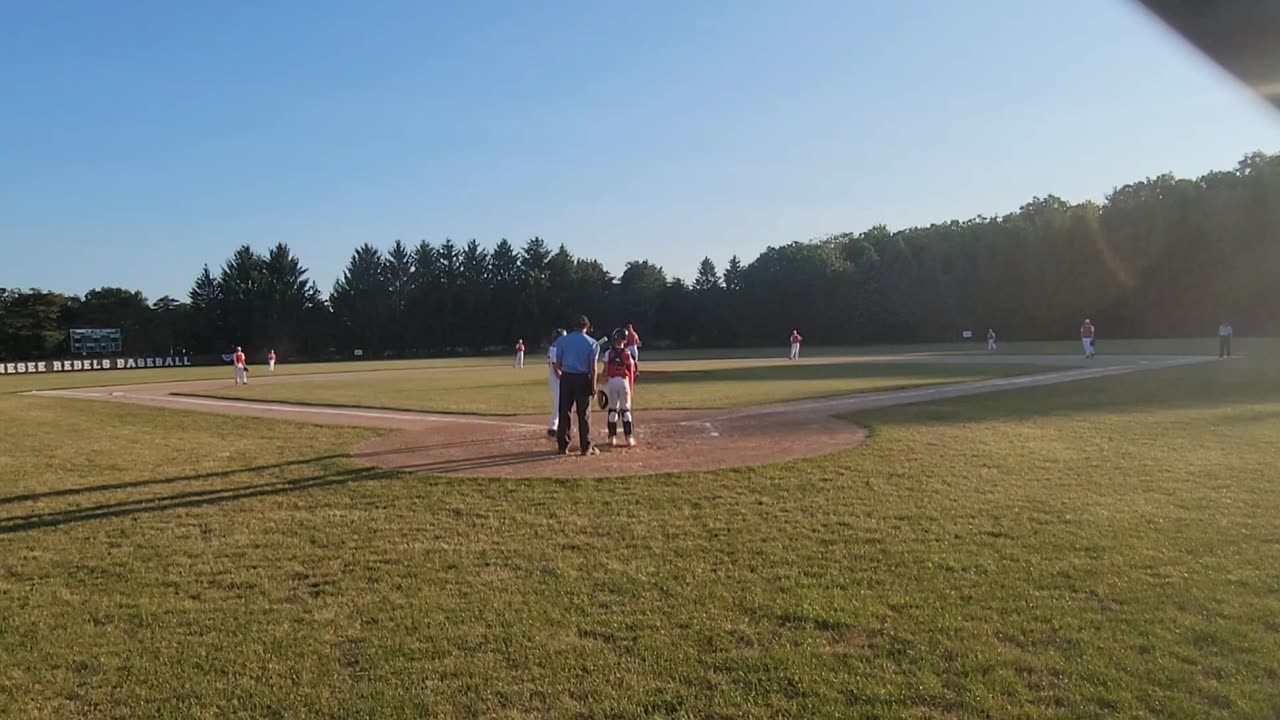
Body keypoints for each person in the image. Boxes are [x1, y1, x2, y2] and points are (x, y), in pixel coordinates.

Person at [554, 315, 600, 456]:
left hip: (567, 377)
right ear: (587, 326)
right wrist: (593, 386)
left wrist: (563, 376)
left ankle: (563, 446)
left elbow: (558, 364)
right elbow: (593, 369)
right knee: (584, 414)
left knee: (564, 412)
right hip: (583, 378)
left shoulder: (562, 340)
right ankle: (586, 447)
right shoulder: (592, 343)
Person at [602, 328, 638, 447]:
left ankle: (612, 438)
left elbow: (606, 371)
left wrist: (602, 384)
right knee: (625, 410)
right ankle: (629, 438)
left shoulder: (608, 353)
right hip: (624, 381)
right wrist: (631, 387)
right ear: (625, 339)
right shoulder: (627, 354)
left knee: (613, 409)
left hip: (612, 381)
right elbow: (631, 372)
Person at [546, 329, 566, 439]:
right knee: (559, 402)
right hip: (556, 379)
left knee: (560, 402)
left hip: (555, 378)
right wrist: (563, 378)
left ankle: (557, 426)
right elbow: (556, 369)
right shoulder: (554, 350)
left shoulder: (554, 348)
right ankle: (552, 428)